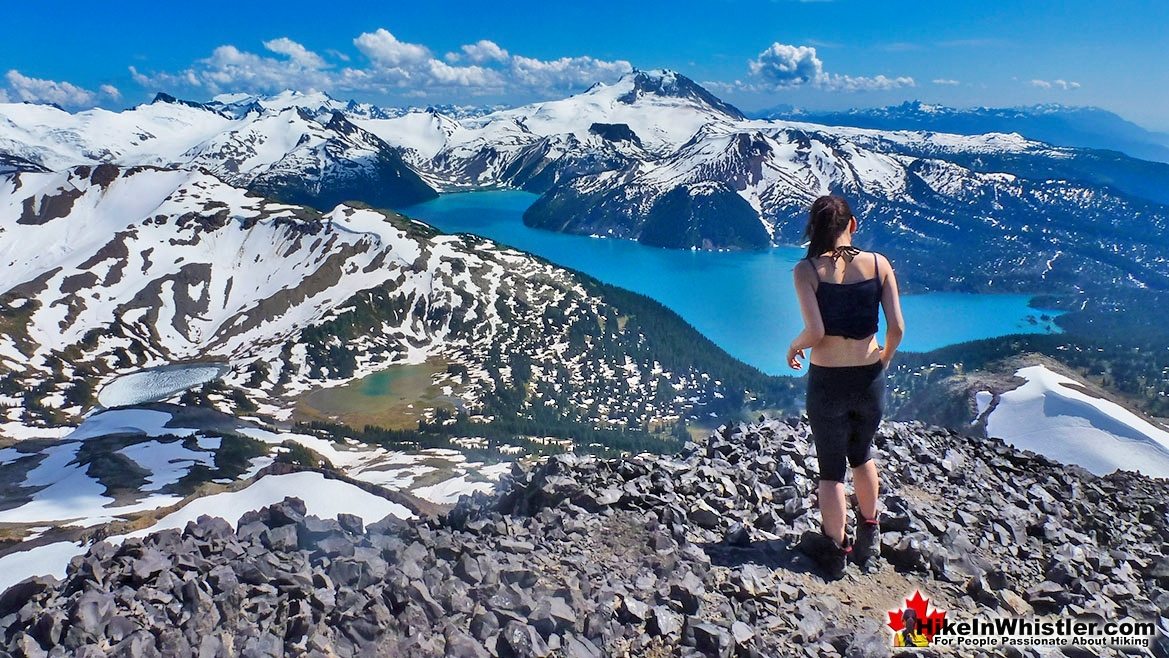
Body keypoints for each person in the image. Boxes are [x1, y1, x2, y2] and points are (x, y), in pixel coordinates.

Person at [787, 195, 905, 578]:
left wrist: (794, 345)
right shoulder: (878, 264)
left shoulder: (806, 271)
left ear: (814, 230)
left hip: (828, 382)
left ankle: (835, 547)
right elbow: (898, 329)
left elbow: (816, 331)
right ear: (852, 225)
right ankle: (870, 530)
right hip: (869, 377)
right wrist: (881, 361)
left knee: (830, 470)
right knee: (862, 454)